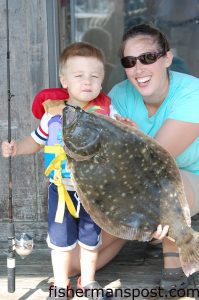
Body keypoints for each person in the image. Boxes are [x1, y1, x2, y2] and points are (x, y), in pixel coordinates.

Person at [1, 42, 123, 300]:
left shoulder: (108, 112)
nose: (87, 81)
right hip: (61, 190)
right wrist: (16, 148)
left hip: (93, 190)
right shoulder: (52, 114)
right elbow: (35, 141)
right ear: (64, 80)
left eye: (95, 76)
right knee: (60, 242)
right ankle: (60, 284)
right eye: (79, 76)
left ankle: (88, 283)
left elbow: (119, 141)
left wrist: (122, 127)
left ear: (102, 81)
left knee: (91, 241)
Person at [108, 23, 199, 293]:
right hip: (136, 192)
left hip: (189, 181)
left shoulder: (192, 92)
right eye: (129, 61)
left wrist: (133, 142)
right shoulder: (118, 95)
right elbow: (114, 162)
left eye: (148, 58)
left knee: (165, 181)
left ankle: (175, 251)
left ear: (167, 58)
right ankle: (149, 235)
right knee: (79, 260)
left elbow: (157, 161)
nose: (138, 69)